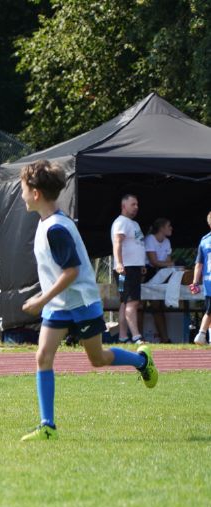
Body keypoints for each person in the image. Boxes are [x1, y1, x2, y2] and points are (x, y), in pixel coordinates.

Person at [18, 160, 156, 442]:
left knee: (97, 359)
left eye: (22, 189)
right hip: (59, 306)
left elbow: (72, 272)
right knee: (43, 356)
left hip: (80, 302)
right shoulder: (47, 223)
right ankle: (47, 426)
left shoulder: (56, 227)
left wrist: (41, 299)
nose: (20, 195)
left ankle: (141, 361)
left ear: (35, 194)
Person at [111, 193, 145, 343]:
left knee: (125, 303)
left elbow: (137, 244)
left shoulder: (134, 224)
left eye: (137, 204)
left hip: (134, 268)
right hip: (126, 269)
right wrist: (119, 263)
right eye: (133, 204)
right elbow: (117, 242)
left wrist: (142, 264)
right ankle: (137, 336)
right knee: (132, 302)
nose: (136, 207)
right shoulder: (121, 222)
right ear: (124, 206)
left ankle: (123, 336)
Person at [190, 210, 211, 345]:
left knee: (210, 308)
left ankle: (207, 336)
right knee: (210, 310)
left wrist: (195, 282)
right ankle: (201, 333)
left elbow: (199, 264)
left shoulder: (204, 240)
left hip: (208, 281)